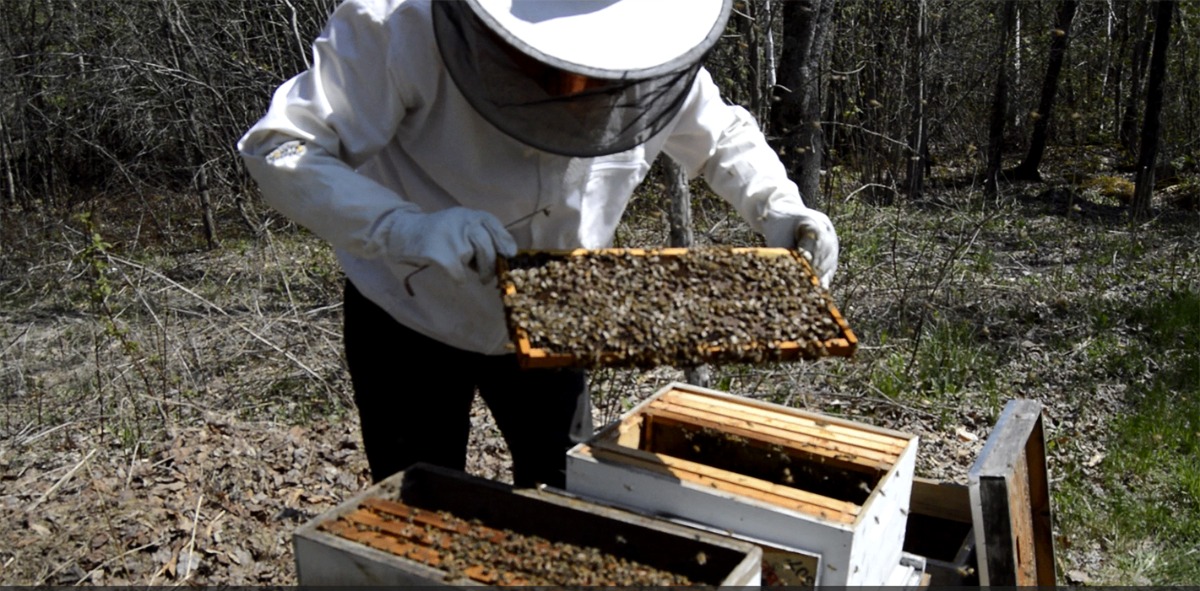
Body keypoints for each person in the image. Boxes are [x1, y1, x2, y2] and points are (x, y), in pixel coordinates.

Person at [237, 0, 839, 489]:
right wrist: (406, 228)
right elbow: (281, 147)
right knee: (420, 502)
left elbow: (721, 133)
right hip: (407, 306)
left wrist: (780, 208)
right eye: (549, 66)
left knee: (566, 488)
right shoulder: (402, 21)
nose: (576, 87)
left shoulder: (651, 47)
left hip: (557, 308)